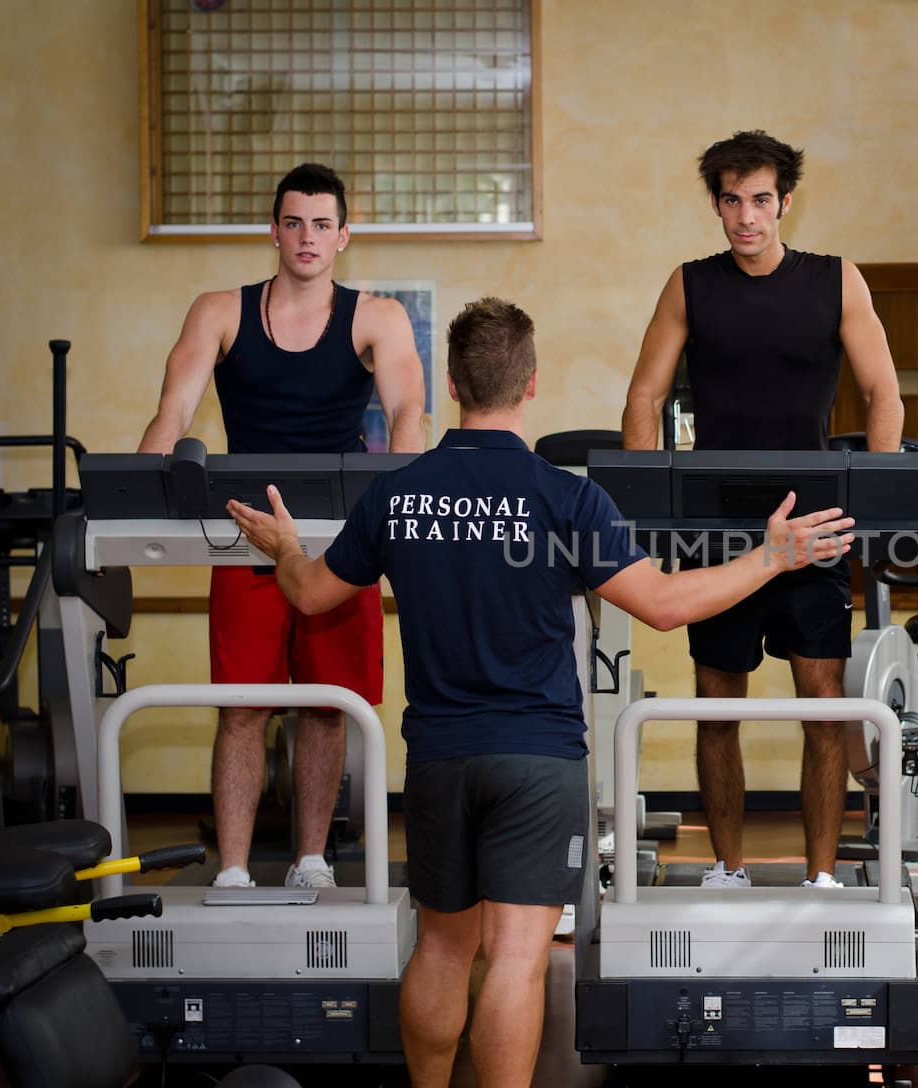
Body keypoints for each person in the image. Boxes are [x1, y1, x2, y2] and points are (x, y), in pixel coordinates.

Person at [227, 297, 854, 1088]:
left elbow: (312, 594)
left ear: (452, 384)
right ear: (531, 387)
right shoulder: (567, 497)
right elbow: (662, 606)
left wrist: (284, 547)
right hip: (539, 761)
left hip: (440, 758)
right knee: (518, 960)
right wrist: (769, 559)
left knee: (444, 948)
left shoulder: (397, 494)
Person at [621, 130, 905, 889]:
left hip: (814, 528)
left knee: (823, 704)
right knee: (718, 707)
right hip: (718, 530)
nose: (746, 216)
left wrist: (870, 508)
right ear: (715, 203)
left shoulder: (837, 281)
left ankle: (819, 877)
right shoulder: (690, 284)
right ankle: (727, 870)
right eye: (731, 201)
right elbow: (645, 397)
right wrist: (651, 518)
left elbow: (885, 395)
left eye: (760, 200)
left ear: (784, 202)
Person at [137, 162, 426, 890]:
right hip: (246, 531)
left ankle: (311, 862)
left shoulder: (377, 317)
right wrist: (140, 481)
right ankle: (232, 870)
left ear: (343, 237)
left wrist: (407, 496)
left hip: (342, 538)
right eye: (293, 222)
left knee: (327, 709)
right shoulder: (219, 311)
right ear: (273, 231)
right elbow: (175, 408)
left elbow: (406, 417)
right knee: (242, 710)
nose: (307, 237)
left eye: (322, 224)